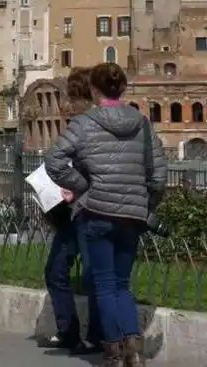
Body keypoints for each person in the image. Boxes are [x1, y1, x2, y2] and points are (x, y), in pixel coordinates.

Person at [46, 63, 167, 367]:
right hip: (132, 215)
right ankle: (134, 350)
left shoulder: (85, 123)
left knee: (104, 284)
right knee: (122, 284)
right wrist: (146, 202)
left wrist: (83, 186)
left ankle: (113, 352)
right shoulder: (142, 123)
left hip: (97, 212)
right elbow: (159, 175)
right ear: (123, 89)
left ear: (94, 90)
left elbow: (54, 161)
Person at [40, 67, 102, 355]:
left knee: (92, 274)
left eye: (76, 96)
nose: (72, 104)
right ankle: (68, 330)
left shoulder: (96, 124)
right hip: (70, 209)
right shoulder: (78, 123)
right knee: (55, 271)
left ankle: (96, 336)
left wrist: (76, 186)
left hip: (90, 208)